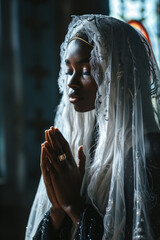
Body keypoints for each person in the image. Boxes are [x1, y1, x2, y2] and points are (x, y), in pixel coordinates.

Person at [25, 15, 160, 240]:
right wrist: (57, 210)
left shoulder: (149, 152)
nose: (71, 83)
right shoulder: (83, 140)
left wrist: (73, 206)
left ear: (120, 74)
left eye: (86, 71)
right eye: (68, 71)